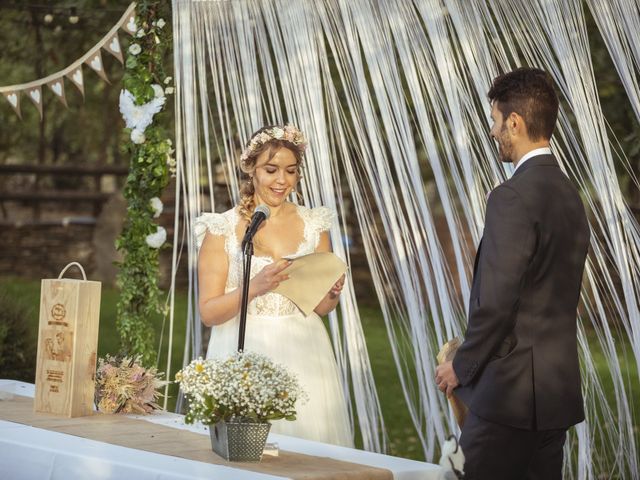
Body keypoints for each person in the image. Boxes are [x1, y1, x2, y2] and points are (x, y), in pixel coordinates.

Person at [435, 68, 590, 479]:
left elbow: (497, 301)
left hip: (509, 396)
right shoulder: (569, 195)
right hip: (554, 395)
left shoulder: (512, 197)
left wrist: (461, 365)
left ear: (515, 122)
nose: (492, 131)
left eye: (494, 120)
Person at [194, 124, 353, 447]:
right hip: (242, 349)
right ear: (251, 169)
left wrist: (331, 292)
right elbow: (208, 313)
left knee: (308, 452)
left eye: (291, 171)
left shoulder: (314, 224)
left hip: (305, 350)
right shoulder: (221, 228)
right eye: (271, 170)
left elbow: (320, 307)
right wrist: (255, 286)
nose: (282, 181)